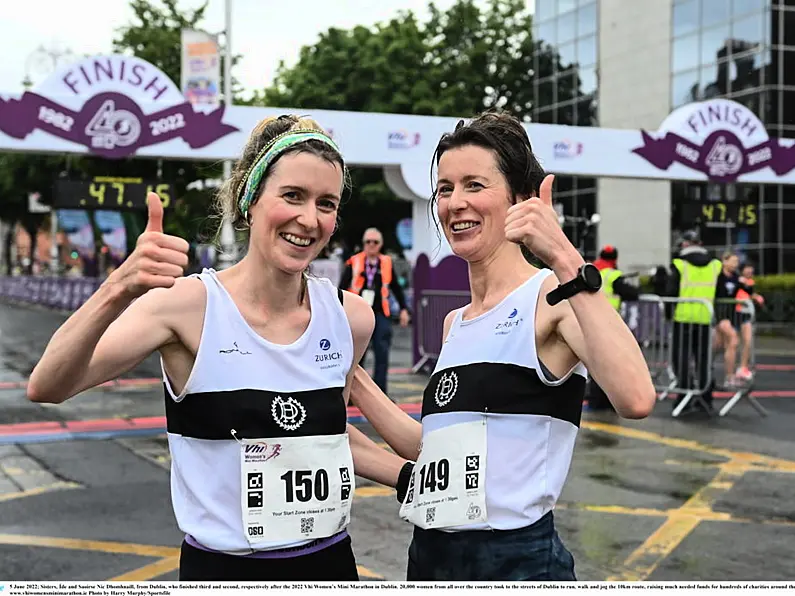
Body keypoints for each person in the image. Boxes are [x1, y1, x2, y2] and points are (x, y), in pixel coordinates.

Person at [26, 115, 411, 581]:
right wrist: (120, 286)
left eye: (325, 203)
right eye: (292, 196)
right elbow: (48, 385)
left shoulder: (351, 319)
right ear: (250, 201)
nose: (309, 219)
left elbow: (324, 437)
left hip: (331, 564)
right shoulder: (187, 306)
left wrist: (411, 478)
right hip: (222, 570)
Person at [349, 111, 656, 581]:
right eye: (446, 188)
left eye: (475, 185)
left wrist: (565, 258)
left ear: (520, 199)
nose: (456, 203)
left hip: (515, 561)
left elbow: (636, 397)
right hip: (430, 555)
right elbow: (431, 447)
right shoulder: (455, 323)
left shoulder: (550, 300)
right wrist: (352, 379)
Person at [339, 228, 410, 394]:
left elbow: (396, 289)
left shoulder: (386, 263)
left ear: (381, 244)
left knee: (382, 354)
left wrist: (404, 309)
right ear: (363, 244)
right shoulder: (354, 261)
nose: (371, 245)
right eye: (368, 242)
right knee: (355, 357)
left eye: (375, 242)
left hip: (380, 314)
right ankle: (352, 395)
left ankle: (380, 395)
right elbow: (342, 288)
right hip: (356, 315)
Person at [665, 231, 722, 412]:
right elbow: (720, 293)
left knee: (680, 360)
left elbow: (670, 292)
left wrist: (668, 314)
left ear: (685, 245)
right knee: (703, 361)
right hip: (705, 319)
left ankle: (684, 396)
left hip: (683, 319)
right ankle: (706, 398)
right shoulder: (715, 265)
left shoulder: (679, 265)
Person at [588, 245, 640, 411]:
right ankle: (606, 400)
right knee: (609, 363)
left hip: (590, 320)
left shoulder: (590, 270)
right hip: (609, 323)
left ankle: (596, 401)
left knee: (596, 362)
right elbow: (631, 293)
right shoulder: (613, 275)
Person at [734, 261, 763, 381]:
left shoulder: (750, 282)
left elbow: (749, 292)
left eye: (751, 268)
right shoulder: (737, 280)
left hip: (746, 314)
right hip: (734, 313)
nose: (750, 271)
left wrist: (756, 296)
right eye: (747, 268)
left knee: (747, 340)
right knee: (731, 342)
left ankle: (743, 367)